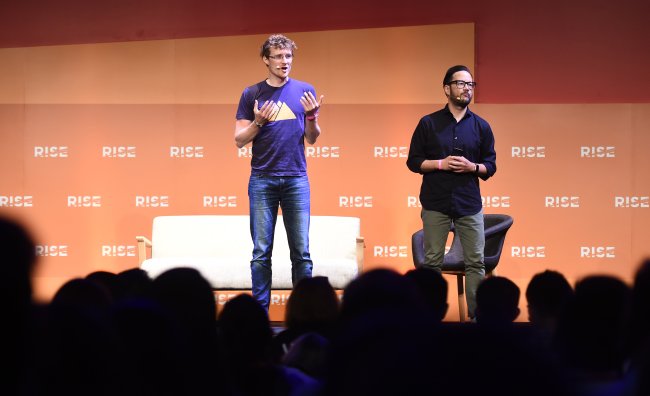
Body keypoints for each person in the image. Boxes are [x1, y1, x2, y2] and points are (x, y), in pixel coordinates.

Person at [235, 34, 324, 310]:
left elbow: (312, 138)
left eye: (288, 57)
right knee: (261, 253)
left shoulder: (304, 90)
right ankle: (260, 315)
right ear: (266, 60)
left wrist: (312, 117)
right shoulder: (252, 93)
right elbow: (239, 138)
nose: (284, 62)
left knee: (302, 253)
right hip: (262, 179)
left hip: (297, 179)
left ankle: (304, 312)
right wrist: (259, 122)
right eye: (278, 56)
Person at [406, 65, 497, 319]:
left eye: (470, 84)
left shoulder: (482, 126)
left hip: (469, 204)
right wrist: (440, 164)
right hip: (436, 202)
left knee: (476, 262)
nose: (466, 88)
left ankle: (479, 319)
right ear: (447, 89)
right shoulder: (428, 123)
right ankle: (429, 317)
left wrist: (472, 167)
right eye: (461, 83)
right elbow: (414, 162)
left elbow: (490, 165)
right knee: (432, 261)